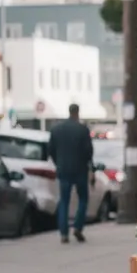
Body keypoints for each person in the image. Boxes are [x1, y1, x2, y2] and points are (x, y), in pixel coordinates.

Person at [48, 103, 93, 244]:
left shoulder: (56, 130)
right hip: (80, 169)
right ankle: (78, 227)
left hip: (63, 169)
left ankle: (63, 233)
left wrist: (58, 163)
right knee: (83, 199)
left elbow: (51, 150)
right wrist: (88, 166)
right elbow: (88, 152)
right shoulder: (82, 130)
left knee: (64, 201)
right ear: (78, 112)